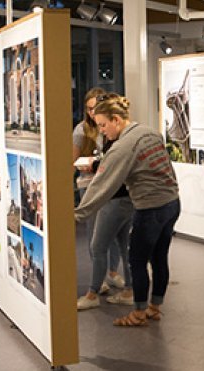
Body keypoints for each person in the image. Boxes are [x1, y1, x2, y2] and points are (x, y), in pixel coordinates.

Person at [75, 94, 180, 326]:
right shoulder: (149, 132)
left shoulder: (122, 146)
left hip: (150, 208)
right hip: (172, 203)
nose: (102, 130)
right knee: (159, 258)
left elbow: (102, 186)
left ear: (116, 119)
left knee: (136, 260)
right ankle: (155, 307)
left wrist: (76, 215)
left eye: (103, 125)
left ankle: (139, 313)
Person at [73, 88, 127, 304]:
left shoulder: (120, 131)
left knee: (116, 234)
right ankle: (98, 281)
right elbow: (74, 160)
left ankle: (112, 273)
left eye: (95, 108)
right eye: (89, 109)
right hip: (90, 185)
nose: (92, 113)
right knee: (95, 234)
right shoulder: (81, 130)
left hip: (113, 186)